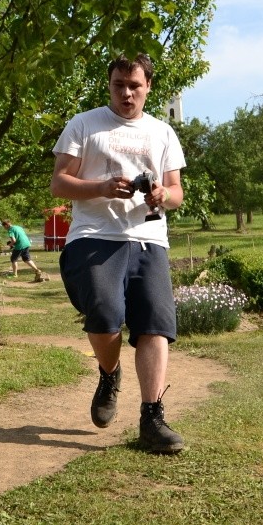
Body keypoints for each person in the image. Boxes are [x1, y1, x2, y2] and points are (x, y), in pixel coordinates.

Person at [50, 53, 186, 454]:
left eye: (134, 86)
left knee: (155, 324)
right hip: (95, 235)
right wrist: (102, 187)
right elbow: (59, 183)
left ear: (148, 87)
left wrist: (162, 195)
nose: (126, 93)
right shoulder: (84, 124)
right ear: (109, 85)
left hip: (148, 238)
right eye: (118, 85)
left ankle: (152, 418)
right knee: (105, 315)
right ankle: (109, 373)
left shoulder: (163, 132)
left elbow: (177, 191)